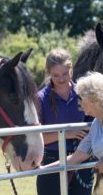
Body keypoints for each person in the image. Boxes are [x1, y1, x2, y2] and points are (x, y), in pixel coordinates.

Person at [36, 48, 93, 195]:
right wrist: (66, 134)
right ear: (49, 73)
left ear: (71, 70)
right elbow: (37, 139)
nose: (61, 79)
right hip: (51, 161)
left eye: (65, 74)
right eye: (56, 75)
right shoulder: (40, 99)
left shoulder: (84, 94)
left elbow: (95, 124)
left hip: (81, 159)